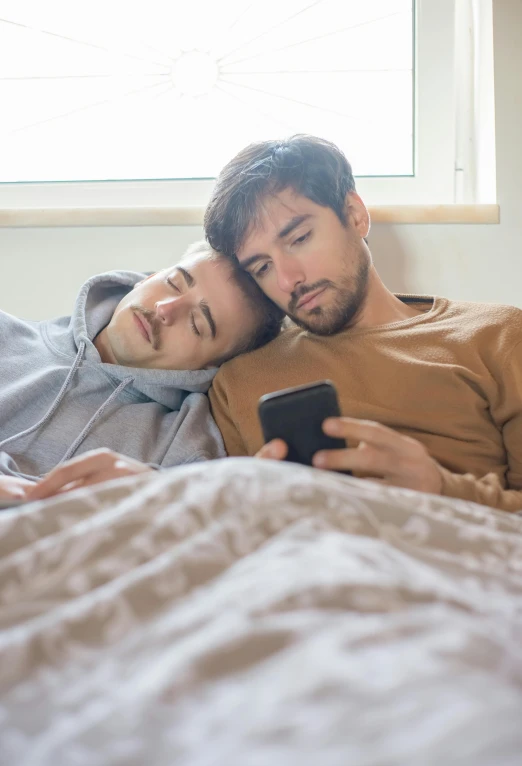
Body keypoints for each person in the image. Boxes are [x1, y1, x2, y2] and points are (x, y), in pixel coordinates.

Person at [205, 134, 522, 513]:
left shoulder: (498, 336)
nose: (288, 280)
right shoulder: (237, 382)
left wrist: (441, 488)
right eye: (262, 267)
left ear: (355, 214)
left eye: (300, 238)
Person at [0, 240, 283, 501]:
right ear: (148, 278)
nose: (166, 309)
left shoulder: (183, 447)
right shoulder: (7, 335)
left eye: (197, 323)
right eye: (173, 283)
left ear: (212, 366)